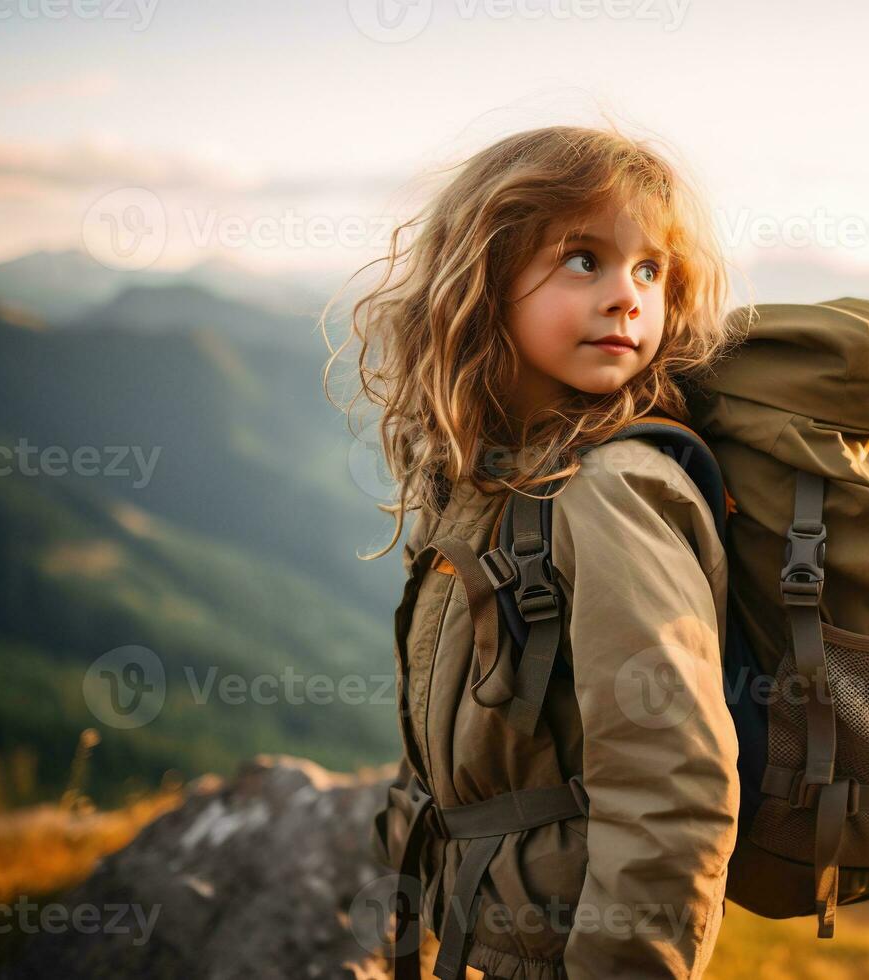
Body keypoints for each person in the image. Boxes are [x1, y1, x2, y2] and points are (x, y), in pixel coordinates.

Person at [324, 124, 746, 979]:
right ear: (484, 277)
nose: (628, 296)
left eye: (651, 269)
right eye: (584, 258)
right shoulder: (493, 481)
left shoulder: (607, 492)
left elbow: (674, 787)